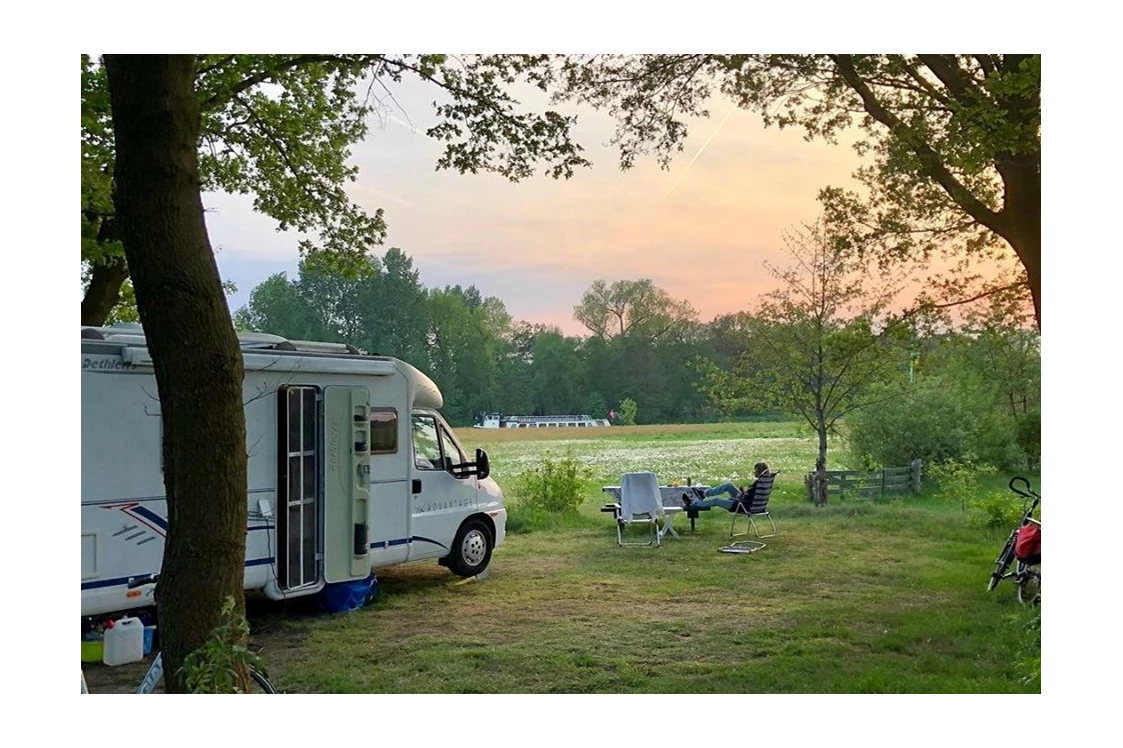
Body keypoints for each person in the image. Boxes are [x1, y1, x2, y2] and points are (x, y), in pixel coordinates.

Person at [682, 462, 771, 513]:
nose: (753, 472)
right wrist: (744, 492)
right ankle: (704, 494)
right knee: (728, 485)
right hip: (746, 501)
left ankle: (693, 503)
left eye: (755, 470)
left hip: (742, 505)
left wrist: (744, 492)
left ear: (759, 471)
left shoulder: (759, 483)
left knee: (716, 500)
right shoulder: (764, 482)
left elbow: (749, 495)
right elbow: (752, 495)